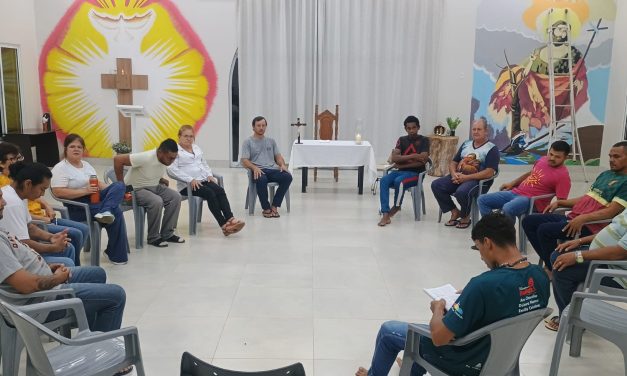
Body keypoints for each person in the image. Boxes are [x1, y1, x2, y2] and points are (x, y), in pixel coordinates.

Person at [356, 213, 549, 376]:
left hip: (467, 359)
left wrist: (438, 310)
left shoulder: (482, 285)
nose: (481, 256)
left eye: (479, 248)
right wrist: (472, 297)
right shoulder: (540, 276)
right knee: (418, 338)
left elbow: (439, 338)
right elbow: (511, 299)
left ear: (488, 243)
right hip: (505, 357)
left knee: (390, 331)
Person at [0, 189, 131, 375]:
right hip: (39, 305)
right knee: (116, 295)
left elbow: (17, 264)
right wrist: (56, 279)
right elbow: (26, 285)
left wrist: (46, 267)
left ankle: (90, 345)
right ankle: (102, 358)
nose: (4, 202)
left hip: (40, 289)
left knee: (97, 274)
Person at [522, 141, 627, 272]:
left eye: (616, 157)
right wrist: (560, 203)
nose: (611, 160)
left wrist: (582, 219)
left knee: (544, 230)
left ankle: (552, 269)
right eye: (610, 156)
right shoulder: (606, 174)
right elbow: (587, 199)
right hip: (573, 218)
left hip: (589, 226)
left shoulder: (625, 183)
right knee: (528, 221)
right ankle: (552, 263)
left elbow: (611, 212)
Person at [0, 142, 89, 264]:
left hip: (21, 248)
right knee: (69, 260)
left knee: (68, 247)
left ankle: (70, 277)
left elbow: (30, 227)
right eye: (42, 189)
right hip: (17, 260)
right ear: (28, 184)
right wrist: (51, 247)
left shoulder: (20, 194)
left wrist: (51, 237)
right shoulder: (12, 202)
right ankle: (68, 278)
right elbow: (23, 244)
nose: (42, 195)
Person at [51, 134, 130, 265]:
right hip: (78, 205)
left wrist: (114, 191)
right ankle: (115, 254)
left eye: (79, 147)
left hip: (95, 199)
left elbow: (98, 183)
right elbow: (58, 192)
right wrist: (84, 191)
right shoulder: (60, 168)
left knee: (120, 185)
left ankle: (106, 210)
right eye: (72, 146)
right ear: (66, 149)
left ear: (83, 150)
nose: (76, 149)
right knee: (116, 211)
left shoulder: (86, 165)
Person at [545, 209, 627, 331]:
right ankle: (574, 311)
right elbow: (612, 230)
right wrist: (579, 241)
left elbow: (619, 253)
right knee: (558, 255)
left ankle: (571, 322)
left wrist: (578, 256)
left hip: (615, 270)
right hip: (603, 259)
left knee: (562, 270)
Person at [168, 125, 245, 236]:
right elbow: (171, 170)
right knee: (210, 193)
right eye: (185, 136)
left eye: (191, 136)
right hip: (188, 186)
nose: (189, 139)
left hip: (203, 180)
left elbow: (204, 163)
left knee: (219, 190)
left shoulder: (196, 148)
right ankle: (224, 225)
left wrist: (209, 175)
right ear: (179, 136)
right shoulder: (175, 151)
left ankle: (231, 219)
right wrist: (190, 179)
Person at [431, 118, 500, 229]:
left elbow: (489, 172)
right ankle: (454, 211)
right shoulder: (466, 144)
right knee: (436, 185)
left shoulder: (492, 149)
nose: (476, 132)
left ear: (486, 131)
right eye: (474, 129)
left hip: (478, 180)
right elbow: (454, 162)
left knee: (462, 192)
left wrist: (466, 178)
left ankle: (465, 216)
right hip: (459, 176)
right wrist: (454, 173)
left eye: (479, 129)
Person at [114, 139, 184, 247]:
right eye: (170, 158)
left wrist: (160, 179)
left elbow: (149, 170)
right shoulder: (146, 157)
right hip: (136, 189)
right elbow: (118, 159)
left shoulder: (164, 158)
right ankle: (153, 237)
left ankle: (167, 234)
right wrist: (121, 185)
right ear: (160, 152)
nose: (172, 161)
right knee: (156, 201)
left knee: (175, 197)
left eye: (174, 158)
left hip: (154, 186)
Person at [478, 140, 571, 219]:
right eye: (551, 154)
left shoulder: (563, 176)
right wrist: (512, 183)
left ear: (565, 158)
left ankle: (505, 236)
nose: (552, 158)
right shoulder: (543, 160)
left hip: (531, 200)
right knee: (482, 200)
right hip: (516, 192)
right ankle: (492, 229)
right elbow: (531, 173)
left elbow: (561, 201)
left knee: (507, 208)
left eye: (557, 157)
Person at [378, 115, 430, 226]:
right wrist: (415, 156)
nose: (411, 130)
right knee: (383, 181)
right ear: (405, 129)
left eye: (414, 127)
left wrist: (401, 164)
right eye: (409, 128)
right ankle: (385, 213)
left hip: (416, 174)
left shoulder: (424, 140)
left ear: (418, 127)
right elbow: (395, 158)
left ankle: (396, 207)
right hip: (399, 172)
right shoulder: (401, 140)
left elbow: (423, 160)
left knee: (399, 182)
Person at [240, 116, 292, 218]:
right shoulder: (248, 142)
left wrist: (282, 164)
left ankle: (274, 206)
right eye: (258, 125)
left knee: (287, 177)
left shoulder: (271, 141)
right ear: (253, 127)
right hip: (259, 170)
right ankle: (266, 208)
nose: (261, 128)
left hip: (272, 169)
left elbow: (278, 156)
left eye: (263, 125)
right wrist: (254, 168)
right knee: (261, 179)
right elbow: (244, 160)